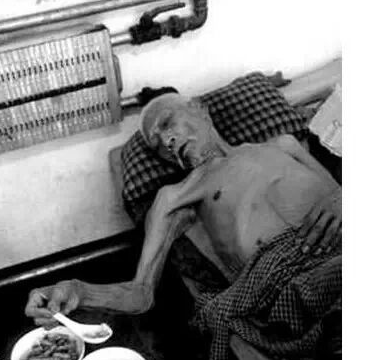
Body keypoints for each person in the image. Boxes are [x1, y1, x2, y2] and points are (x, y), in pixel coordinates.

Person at [25, 93, 341, 327]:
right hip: (296, 281)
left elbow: (339, 190)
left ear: (199, 108)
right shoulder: (176, 197)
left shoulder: (284, 145)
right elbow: (140, 294)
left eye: (166, 123)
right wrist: (79, 291)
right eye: (157, 145)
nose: (166, 140)